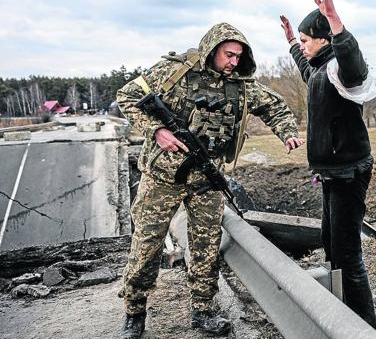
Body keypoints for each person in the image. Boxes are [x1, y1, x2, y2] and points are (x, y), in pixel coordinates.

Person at [116, 22, 304, 339]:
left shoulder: (241, 85)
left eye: (238, 56)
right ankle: (134, 314)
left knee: (206, 247)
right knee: (146, 246)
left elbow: (274, 106)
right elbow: (127, 95)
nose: (233, 62)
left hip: (206, 178)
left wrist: (287, 133)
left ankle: (203, 309)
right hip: (163, 177)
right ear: (213, 49)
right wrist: (157, 130)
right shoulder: (174, 72)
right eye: (229, 55)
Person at [279, 0, 376, 329]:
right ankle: (342, 317)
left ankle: (365, 328)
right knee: (330, 243)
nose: (304, 46)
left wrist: (336, 22)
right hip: (332, 172)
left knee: (348, 256)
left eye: (307, 40)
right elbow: (307, 68)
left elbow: (355, 66)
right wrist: (292, 40)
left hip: (348, 172)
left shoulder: (340, 68)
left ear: (324, 39)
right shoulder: (321, 69)